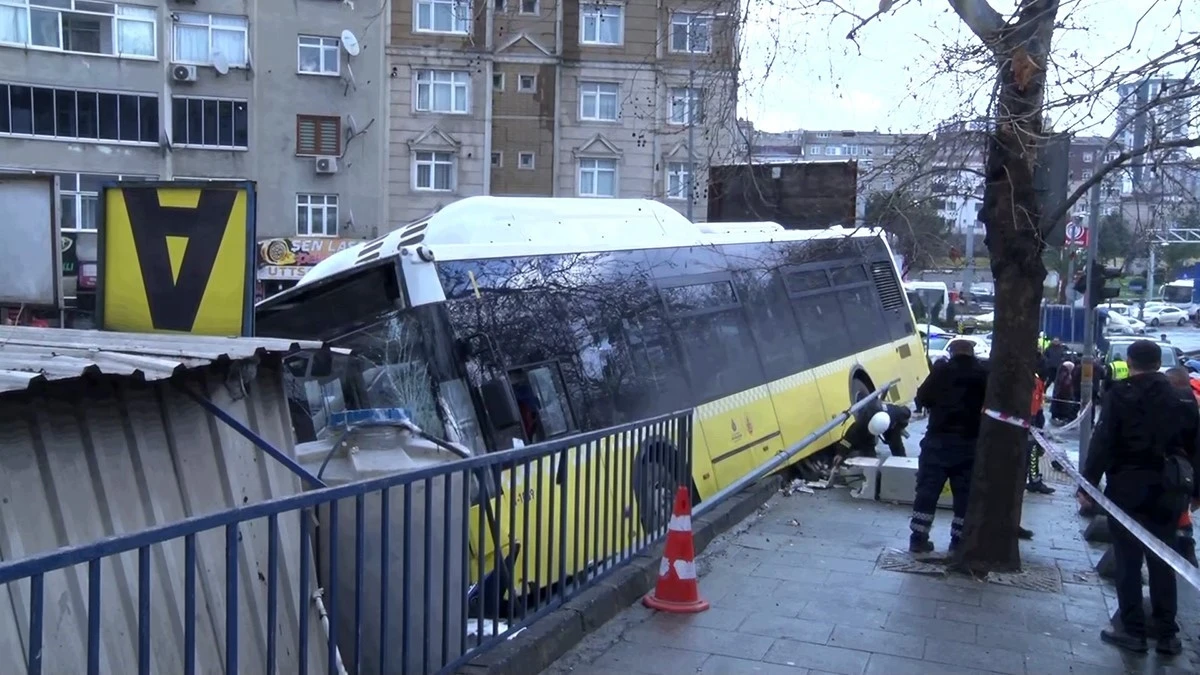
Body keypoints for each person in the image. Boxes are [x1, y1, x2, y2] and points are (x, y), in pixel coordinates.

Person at [1081, 340, 1199, 656]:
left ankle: (1133, 630)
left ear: (1130, 362)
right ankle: (1167, 635)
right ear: (1159, 362)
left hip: (1127, 487)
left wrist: (1087, 485)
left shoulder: (1120, 394)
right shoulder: (1182, 397)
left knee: (1129, 561)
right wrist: (1196, 491)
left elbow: (1103, 442)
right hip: (1169, 490)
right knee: (1163, 559)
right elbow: (1196, 446)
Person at [909, 338, 988, 554]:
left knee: (927, 491)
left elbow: (922, 397)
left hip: (938, 441)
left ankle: (918, 538)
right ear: (971, 352)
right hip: (969, 443)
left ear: (952, 352)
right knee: (964, 495)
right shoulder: (982, 373)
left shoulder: (941, 371)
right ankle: (958, 541)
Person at [1165, 367, 1200, 566]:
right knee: (1181, 511)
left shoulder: (1169, 404)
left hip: (1173, 472)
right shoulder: (1192, 402)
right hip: (1184, 474)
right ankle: (1186, 548)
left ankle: (1184, 548)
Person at [840, 401, 913, 458]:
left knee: (896, 446)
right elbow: (848, 438)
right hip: (868, 427)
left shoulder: (897, 416)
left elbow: (896, 444)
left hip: (892, 426)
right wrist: (841, 453)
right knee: (868, 454)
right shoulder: (863, 422)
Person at [1027, 371, 1056, 495]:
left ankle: (1034, 480)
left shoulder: (1037, 382)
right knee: (1030, 451)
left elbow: (1038, 408)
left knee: (1032, 451)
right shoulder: (1033, 382)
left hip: (1031, 422)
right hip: (1026, 422)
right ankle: (1032, 480)